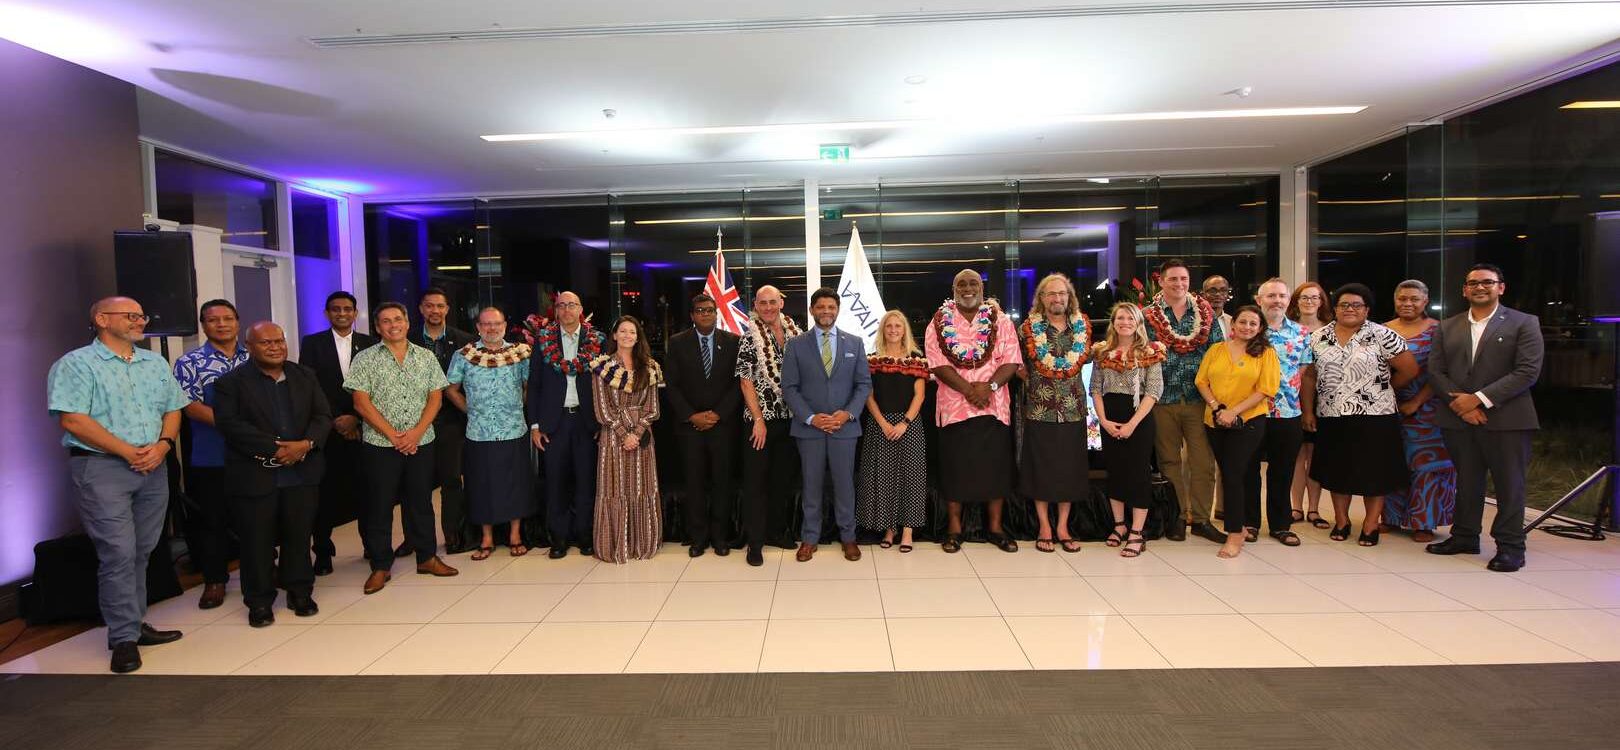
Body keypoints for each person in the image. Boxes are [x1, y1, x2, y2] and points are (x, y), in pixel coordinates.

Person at [47, 297, 188, 673]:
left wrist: (164, 445)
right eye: (131, 316)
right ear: (101, 319)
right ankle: (123, 638)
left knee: (142, 550)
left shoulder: (154, 363)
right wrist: (127, 451)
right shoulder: (76, 364)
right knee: (118, 553)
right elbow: (73, 420)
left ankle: (134, 624)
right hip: (102, 468)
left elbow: (173, 408)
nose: (140, 321)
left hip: (153, 466)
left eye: (142, 316)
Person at [1425, 264, 1544, 572]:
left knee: (1509, 485)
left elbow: (1527, 371)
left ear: (1500, 287)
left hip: (1507, 419)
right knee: (1466, 481)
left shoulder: (1524, 323)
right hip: (1458, 419)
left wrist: (1478, 399)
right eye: (1473, 283)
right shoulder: (1447, 326)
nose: (1480, 287)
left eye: (1487, 282)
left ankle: (1511, 547)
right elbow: (1436, 371)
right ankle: (1464, 536)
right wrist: (1462, 406)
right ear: (1464, 290)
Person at [212, 322, 331, 626]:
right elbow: (230, 425)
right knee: (257, 542)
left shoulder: (305, 375)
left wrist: (306, 444)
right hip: (255, 474)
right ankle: (259, 601)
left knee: (298, 535)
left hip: (302, 472)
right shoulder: (231, 383)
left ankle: (299, 591)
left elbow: (322, 416)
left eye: (279, 341)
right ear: (249, 347)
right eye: (266, 343)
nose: (275, 347)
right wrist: (277, 449)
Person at [346, 302, 459, 594]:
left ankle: (427, 557)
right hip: (380, 444)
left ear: (408, 323)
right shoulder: (365, 358)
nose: (393, 325)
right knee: (380, 504)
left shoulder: (425, 357)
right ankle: (381, 565)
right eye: (386, 321)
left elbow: (436, 397)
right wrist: (393, 436)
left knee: (421, 501)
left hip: (421, 442)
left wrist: (416, 433)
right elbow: (360, 402)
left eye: (398, 319)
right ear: (377, 327)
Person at [1301, 284, 1419, 547]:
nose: (1350, 309)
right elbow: (1309, 376)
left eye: (1357, 305)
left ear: (1366, 309)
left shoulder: (1382, 334)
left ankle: (1370, 524)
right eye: (1344, 304)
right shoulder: (1317, 337)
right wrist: (1307, 410)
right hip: (1331, 414)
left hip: (1375, 416)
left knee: (1374, 474)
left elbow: (1410, 370)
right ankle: (1342, 521)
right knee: (1337, 471)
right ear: (1335, 308)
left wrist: (1383, 388)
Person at [924, 269, 1022, 553]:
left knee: (996, 470)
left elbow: (1012, 361)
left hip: (994, 408)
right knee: (955, 470)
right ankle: (954, 530)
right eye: (962, 284)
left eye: (973, 283)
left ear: (982, 287)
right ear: (953, 290)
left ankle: (995, 529)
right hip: (954, 409)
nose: (968, 288)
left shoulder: (1001, 321)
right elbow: (937, 364)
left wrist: (989, 387)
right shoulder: (938, 321)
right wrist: (969, 390)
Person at [781, 288, 873, 562]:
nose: (826, 312)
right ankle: (810, 538)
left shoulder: (855, 343)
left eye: (831, 307)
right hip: (809, 429)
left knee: (845, 485)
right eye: (820, 307)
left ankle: (848, 537)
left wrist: (847, 414)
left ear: (838, 310)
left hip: (844, 428)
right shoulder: (796, 345)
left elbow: (863, 385)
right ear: (812, 310)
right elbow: (789, 387)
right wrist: (811, 418)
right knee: (811, 485)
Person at [171, 299, 249, 609]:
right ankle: (215, 580)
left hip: (253, 454)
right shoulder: (189, 362)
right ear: (203, 325)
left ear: (238, 322)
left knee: (255, 517)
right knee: (213, 521)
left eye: (228, 318)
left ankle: (261, 570)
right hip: (212, 454)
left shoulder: (253, 356)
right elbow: (189, 406)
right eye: (213, 320)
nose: (222, 324)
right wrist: (237, 427)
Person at [1143, 259, 1226, 543]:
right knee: (1168, 461)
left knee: (1203, 462)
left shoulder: (1205, 313)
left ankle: (1201, 519)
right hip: (1161, 398)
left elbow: (1218, 353)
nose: (1179, 284)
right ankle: (1177, 517)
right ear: (1161, 281)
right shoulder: (1147, 315)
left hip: (1198, 398)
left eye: (1184, 279)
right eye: (1173, 279)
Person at [446, 307, 535, 560]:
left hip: (513, 429)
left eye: (497, 323)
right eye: (486, 324)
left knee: (515, 483)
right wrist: (470, 410)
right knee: (481, 484)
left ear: (505, 325)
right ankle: (486, 538)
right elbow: (451, 389)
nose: (492, 328)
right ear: (478, 327)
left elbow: (530, 386)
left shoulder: (521, 353)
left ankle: (515, 536)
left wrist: (518, 407)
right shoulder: (464, 355)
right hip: (479, 432)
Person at [298, 291, 377, 574]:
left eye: (347, 309)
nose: (341, 313)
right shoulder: (312, 343)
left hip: (365, 428)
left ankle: (372, 545)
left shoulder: (371, 343)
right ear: (327, 313)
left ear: (355, 313)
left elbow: (377, 386)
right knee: (325, 495)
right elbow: (309, 385)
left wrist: (356, 418)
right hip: (327, 430)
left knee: (368, 491)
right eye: (335, 309)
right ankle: (322, 551)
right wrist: (336, 419)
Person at [1195, 306, 1281, 558]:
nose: (1247, 327)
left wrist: (1233, 412)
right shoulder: (1216, 350)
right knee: (1228, 474)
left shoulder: (1266, 353)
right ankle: (1239, 525)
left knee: (1233, 475)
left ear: (1260, 328)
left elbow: (1266, 389)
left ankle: (1234, 533)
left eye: (1253, 323)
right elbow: (1201, 381)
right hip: (1215, 420)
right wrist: (1217, 407)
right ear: (1233, 325)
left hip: (1248, 421)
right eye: (1243, 322)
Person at [526, 291, 606, 559]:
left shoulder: (597, 340)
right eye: (562, 306)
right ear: (556, 311)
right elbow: (534, 385)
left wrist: (603, 422)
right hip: (554, 423)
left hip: (587, 422)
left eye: (572, 305)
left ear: (581, 309)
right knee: (556, 483)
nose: (567, 310)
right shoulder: (543, 340)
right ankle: (559, 538)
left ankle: (585, 535)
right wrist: (535, 425)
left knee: (586, 481)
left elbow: (605, 383)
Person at [1016, 273, 1092, 554]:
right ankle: (1044, 526)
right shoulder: (1027, 328)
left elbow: (1089, 356)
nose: (1057, 298)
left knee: (1069, 469)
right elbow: (1016, 363)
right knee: (1042, 469)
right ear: (1042, 298)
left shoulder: (1082, 326)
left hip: (1073, 409)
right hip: (1040, 409)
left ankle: (1062, 527)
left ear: (1069, 297)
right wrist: (1033, 380)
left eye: (1062, 293)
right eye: (1051, 294)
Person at [663, 294, 742, 559]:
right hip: (690, 427)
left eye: (709, 310)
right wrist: (691, 415)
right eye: (700, 310)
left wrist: (718, 414)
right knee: (694, 483)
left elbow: (738, 384)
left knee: (722, 483)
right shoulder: (677, 343)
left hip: (723, 426)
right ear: (692, 315)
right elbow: (672, 385)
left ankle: (720, 537)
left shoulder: (733, 342)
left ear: (716, 313)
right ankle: (698, 537)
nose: (705, 314)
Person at [1383, 280, 1457, 544]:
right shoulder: (1382, 330)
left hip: (1428, 409)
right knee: (1391, 461)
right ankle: (1390, 517)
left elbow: (1442, 373)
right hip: (1388, 407)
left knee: (1427, 465)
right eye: (1402, 298)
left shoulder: (1439, 330)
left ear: (1425, 302)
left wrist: (1416, 402)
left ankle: (1424, 522)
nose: (1407, 303)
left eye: (1414, 299)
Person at [1090, 303, 1165, 558]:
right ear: (1113, 322)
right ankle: (1119, 525)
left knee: (1138, 473)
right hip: (1110, 417)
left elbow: (1154, 391)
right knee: (1116, 471)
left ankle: (1136, 532)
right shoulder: (1102, 352)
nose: (1125, 322)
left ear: (1138, 323)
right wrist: (1103, 421)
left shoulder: (1150, 352)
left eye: (1130, 318)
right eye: (1120, 318)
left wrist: (1133, 424)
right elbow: (1095, 389)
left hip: (1139, 418)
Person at [737, 285, 804, 565]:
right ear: (755, 305)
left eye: (772, 302)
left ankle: (776, 532)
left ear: (781, 303)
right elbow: (745, 381)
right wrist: (758, 420)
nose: (767, 307)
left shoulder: (796, 334)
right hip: (760, 423)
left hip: (790, 420)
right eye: (762, 303)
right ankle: (755, 542)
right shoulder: (749, 337)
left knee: (781, 481)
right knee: (756, 483)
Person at [1241, 278, 1310, 547]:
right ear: (1259, 300)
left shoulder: (1301, 333)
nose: (1277, 301)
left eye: (1282, 296)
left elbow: (1301, 372)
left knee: (1282, 471)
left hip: (1287, 412)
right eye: (1271, 296)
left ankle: (1281, 525)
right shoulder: (1247, 330)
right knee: (1248, 470)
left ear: (1288, 300)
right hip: (1251, 412)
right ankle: (1249, 522)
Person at [590, 315, 665, 563]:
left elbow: (653, 408)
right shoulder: (602, 367)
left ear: (638, 337)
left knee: (642, 487)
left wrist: (637, 433)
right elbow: (602, 409)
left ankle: (642, 543)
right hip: (613, 439)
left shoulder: (650, 367)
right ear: (614, 335)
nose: (627, 336)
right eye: (622, 331)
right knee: (615, 489)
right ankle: (615, 544)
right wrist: (625, 434)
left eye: (632, 332)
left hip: (642, 438)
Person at [408, 287, 477, 555]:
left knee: (451, 480)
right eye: (429, 306)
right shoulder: (409, 338)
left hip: (451, 420)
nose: (434, 311)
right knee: (415, 483)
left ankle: (453, 534)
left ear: (447, 309)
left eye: (439, 306)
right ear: (421, 309)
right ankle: (414, 538)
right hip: (414, 422)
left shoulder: (465, 341)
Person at [857, 310, 929, 553]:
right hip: (880, 424)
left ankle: (907, 530)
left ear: (904, 330)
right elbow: (868, 396)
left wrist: (904, 423)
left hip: (909, 425)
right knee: (884, 478)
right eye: (889, 326)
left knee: (911, 478)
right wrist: (883, 423)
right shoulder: (872, 360)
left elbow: (920, 396)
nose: (893, 330)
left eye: (898, 326)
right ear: (883, 330)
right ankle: (889, 528)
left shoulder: (916, 359)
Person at [1288, 281, 1332, 530]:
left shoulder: (1331, 330)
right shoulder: (1288, 329)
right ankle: (1296, 507)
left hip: (1325, 399)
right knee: (1297, 455)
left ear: (1321, 302)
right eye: (1304, 297)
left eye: (1315, 298)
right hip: (1292, 398)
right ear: (1296, 302)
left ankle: (1314, 508)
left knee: (1316, 456)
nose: (1309, 302)